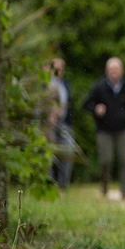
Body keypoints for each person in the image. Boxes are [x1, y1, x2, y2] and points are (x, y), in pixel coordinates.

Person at [83, 57, 125, 200]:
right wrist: (96, 108)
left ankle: (124, 191)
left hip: (123, 130)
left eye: (116, 69)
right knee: (106, 160)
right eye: (111, 70)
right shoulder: (99, 86)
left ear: (121, 71)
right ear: (106, 71)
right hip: (104, 130)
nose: (114, 72)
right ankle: (104, 187)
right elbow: (86, 104)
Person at [48, 57, 76, 189]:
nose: (58, 71)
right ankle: (49, 184)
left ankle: (63, 185)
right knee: (49, 156)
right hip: (48, 126)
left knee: (67, 153)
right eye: (56, 69)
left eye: (61, 69)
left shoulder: (66, 84)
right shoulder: (44, 84)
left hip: (64, 124)